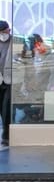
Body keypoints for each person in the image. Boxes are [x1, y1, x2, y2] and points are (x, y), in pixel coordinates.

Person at [0, 20, 12, 148]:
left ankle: (6, 135)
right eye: (2, 32)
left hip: (11, 80)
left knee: (6, 108)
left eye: (6, 31)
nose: (5, 34)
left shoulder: (16, 41)